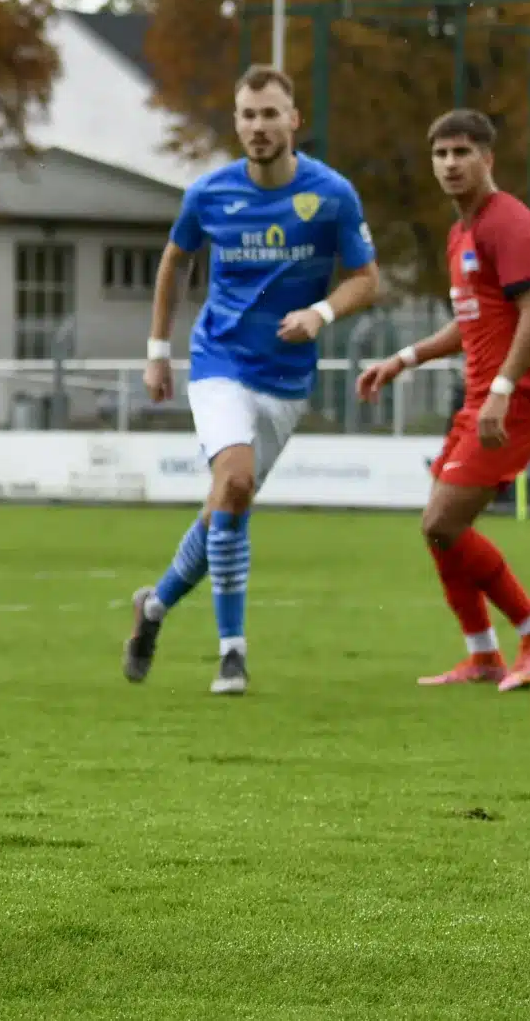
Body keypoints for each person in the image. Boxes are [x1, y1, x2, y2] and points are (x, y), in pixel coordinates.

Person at [123, 66, 380, 693]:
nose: (258, 126)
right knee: (234, 480)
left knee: (226, 505)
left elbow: (366, 278)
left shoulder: (332, 195)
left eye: (270, 114)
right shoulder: (209, 194)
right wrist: (158, 349)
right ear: (236, 124)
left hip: (287, 382)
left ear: (293, 121)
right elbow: (175, 260)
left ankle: (153, 606)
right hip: (221, 365)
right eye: (247, 115)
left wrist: (321, 313)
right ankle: (232, 653)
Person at [357, 109, 530, 691]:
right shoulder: (460, 232)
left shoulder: (509, 223)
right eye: (441, 154)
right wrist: (403, 359)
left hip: (515, 399)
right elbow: (471, 322)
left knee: (443, 520)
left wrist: (500, 391)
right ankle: (483, 655)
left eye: (462, 152)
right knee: (438, 530)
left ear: (487, 159)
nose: (450, 163)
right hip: (482, 397)